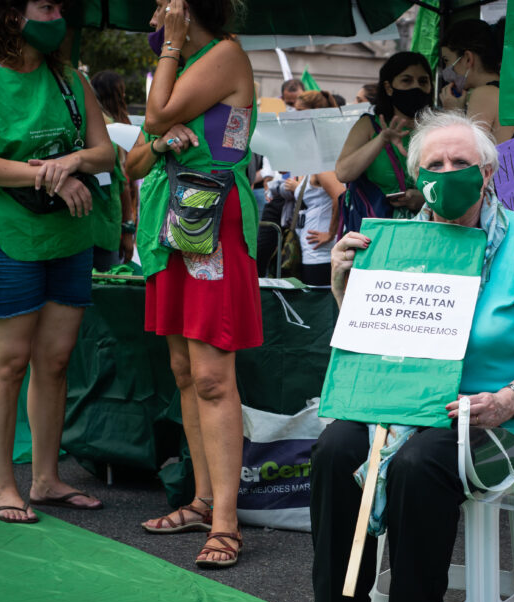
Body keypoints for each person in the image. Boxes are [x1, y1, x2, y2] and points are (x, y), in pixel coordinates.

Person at [278, 110, 514, 602]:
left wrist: (508, 400)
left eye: (461, 161)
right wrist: (345, 278)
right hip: (402, 404)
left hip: (495, 421)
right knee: (337, 448)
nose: (447, 172)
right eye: (434, 164)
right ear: (418, 177)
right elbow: (370, 339)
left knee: (419, 465)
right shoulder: (397, 241)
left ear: (487, 173)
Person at [0, 0, 115, 522]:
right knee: (9, 361)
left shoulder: (70, 79)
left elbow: (104, 152)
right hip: (2, 232)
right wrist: (49, 175)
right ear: (12, 16)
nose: (57, 15)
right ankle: (3, 486)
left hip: (69, 232)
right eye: (46, 6)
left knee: (56, 359)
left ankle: (46, 479)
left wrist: (71, 163)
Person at [125, 0, 260, 569]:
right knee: (184, 370)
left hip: (211, 222)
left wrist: (173, 48)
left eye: (164, 5)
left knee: (211, 376)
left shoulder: (222, 54)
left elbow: (155, 118)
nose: (155, 16)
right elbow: (137, 154)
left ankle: (226, 523)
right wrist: (158, 144)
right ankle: (203, 500)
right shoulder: (178, 70)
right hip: (174, 227)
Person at [336, 52, 433, 219]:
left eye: (423, 81)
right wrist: (382, 139)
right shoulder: (369, 126)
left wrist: (426, 199)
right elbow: (343, 174)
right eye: (406, 80)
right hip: (378, 230)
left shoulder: (439, 127)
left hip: (430, 227)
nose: (415, 87)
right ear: (388, 88)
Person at [291, 90, 345, 286]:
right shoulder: (318, 151)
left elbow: (340, 194)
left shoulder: (322, 156)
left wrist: (330, 233)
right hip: (315, 248)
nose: (292, 116)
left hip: (320, 251)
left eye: (299, 112)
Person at [438, 19, 514, 144]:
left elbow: (466, 153)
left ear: (468, 58)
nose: (447, 70)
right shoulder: (511, 90)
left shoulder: (484, 95)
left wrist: (453, 114)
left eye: (447, 60)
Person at [90, 69, 137, 268]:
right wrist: (128, 227)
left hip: (109, 224)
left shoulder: (111, 127)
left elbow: (123, 181)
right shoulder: (112, 127)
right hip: (108, 226)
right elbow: (125, 182)